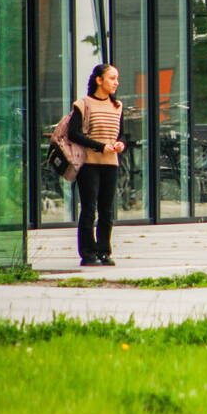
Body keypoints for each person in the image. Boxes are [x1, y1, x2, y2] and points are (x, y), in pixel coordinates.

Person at [68, 64, 126, 266]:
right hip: (89, 164)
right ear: (99, 80)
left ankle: (104, 251)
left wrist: (120, 143)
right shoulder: (83, 104)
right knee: (89, 208)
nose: (116, 82)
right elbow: (73, 133)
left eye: (117, 78)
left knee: (107, 210)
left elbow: (122, 133)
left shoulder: (117, 106)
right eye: (112, 78)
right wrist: (100, 146)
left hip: (111, 163)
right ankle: (88, 253)